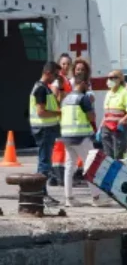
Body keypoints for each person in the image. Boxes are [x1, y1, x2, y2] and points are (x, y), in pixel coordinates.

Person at [59, 77, 103, 207]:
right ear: (82, 83)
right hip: (81, 136)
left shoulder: (65, 99)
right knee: (90, 165)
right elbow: (91, 117)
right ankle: (96, 198)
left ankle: (69, 198)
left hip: (67, 137)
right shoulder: (83, 98)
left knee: (69, 166)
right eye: (87, 84)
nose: (88, 87)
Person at [28, 62, 63, 192]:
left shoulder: (44, 88)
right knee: (44, 163)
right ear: (48, 73)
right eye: (55, 74)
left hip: (46, 129)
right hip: (44, 129)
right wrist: (58, 113)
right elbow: (41, 112)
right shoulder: (41, 89)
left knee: (44, 161)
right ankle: (41, 193)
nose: (56, 77)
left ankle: (40, 192)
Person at [101, 69, 127, 160]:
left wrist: (122, 122)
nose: (110, 80)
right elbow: (106, 114)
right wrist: (101, 127)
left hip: (118, 129)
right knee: (108, 156)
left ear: (120, 79)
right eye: (108, 78)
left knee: (118, 156)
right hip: (106, 128)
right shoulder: (108, 93)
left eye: (112, 78)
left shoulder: (124, 93)